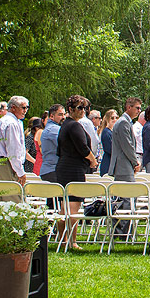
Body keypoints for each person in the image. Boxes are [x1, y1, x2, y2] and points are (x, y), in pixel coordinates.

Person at [58, 95, 99, 250]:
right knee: (72, 208)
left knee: (65, 208)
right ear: (70, 109)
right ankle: (72, 241)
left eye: (85, 108)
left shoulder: (66, 125)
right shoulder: (73, 126)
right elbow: (83, 147)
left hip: (65, 167)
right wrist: (92, 160)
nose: (83, 111)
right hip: (72, 168)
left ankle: (64, 240)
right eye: (80, 108)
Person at [0, 96, 29, 202]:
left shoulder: (9, 121)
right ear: (13, 108)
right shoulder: (11, 123)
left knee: (5, 200)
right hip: (7, 164)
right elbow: (13, 150)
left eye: (27, 107)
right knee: (14, 201)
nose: (25, 110)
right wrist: (20, 172)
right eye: (23, 108)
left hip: (3, 163)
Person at [111, 97, 142, 182]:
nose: (139, 111)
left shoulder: (125, 122)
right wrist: (136, 162)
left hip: (125, 166)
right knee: (127, 193)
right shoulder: (123, 122)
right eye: (137, 108)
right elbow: (127, 146)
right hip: (123, 166)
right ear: (129, 107)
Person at [40, 104, 65, 183]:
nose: (63, 117)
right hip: (52, 170)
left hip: (49, 170)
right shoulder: (53, 129)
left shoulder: (51, 128)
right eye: (60, 115)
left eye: (64, 114)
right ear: (51, 116)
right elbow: (65, 146)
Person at [98, 109, 118, 176]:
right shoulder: (106, 132)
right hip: (108, 163)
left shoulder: (112, 132)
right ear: (107, 119)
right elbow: (109, 149)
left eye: (116, 117)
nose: (114, 119)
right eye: (112, 118)